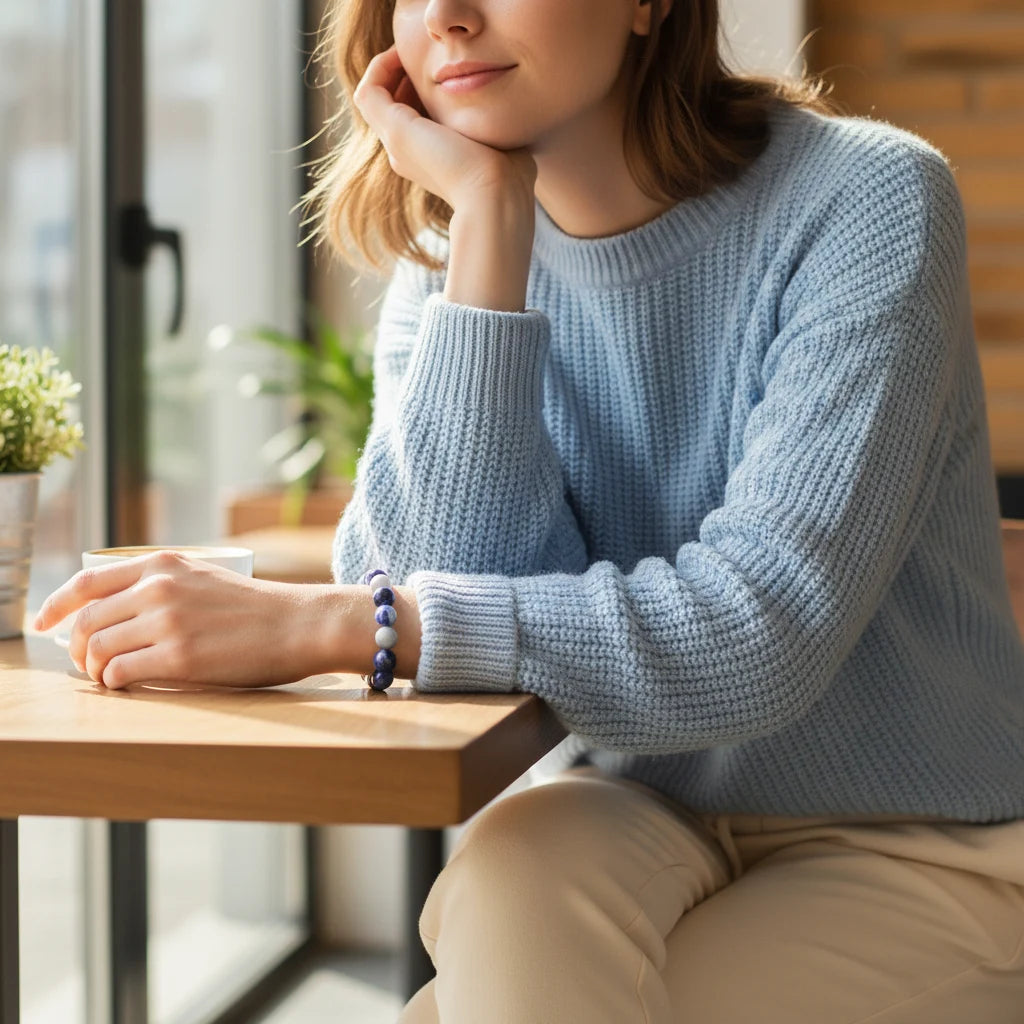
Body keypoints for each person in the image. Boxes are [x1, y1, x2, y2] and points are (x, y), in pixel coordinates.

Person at [34, 0, 1024, 1020]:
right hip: (642, 812)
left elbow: (758, 631)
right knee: (510, 872)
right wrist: (490, 229)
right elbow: (443, 576)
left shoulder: (866, 196)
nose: (449, 16)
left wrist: (328, 625)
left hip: (922, 846)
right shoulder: (459, 261)